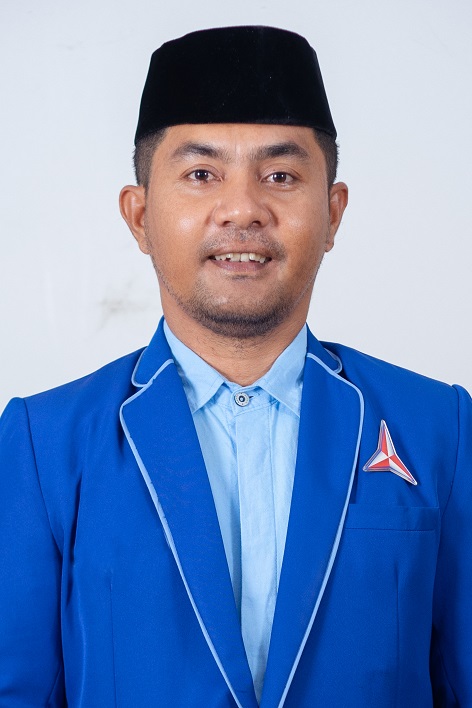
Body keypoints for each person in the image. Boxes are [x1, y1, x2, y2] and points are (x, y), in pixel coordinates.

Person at [0, 25, 471, 708]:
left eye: (281, 175)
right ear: (139, 216)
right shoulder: (43, 445)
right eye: (201, 175)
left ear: (333, 212)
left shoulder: (440, 430)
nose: (244, 208)